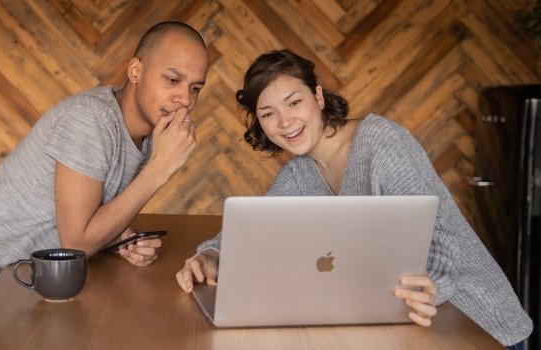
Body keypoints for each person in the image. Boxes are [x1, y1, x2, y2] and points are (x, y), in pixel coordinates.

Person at [174, 49, 532, 348]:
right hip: (410, 325)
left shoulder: (382, 145)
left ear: (317, 96)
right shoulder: (300, 174)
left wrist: (432, 284)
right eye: (268, 114)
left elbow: (441, 236)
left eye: (294, 102)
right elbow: (254, 230)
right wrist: (211, 255)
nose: (285, 122)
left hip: (480, 324)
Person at [0, 21, 209, 332]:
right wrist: (159, 169)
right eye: (173, 79)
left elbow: (82, 217)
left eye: (195, 88)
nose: (186, 100)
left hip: (21, 278)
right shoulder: (90, 120)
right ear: (136, 71)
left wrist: (117, 238)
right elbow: (78, 243)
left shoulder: (150, 133)